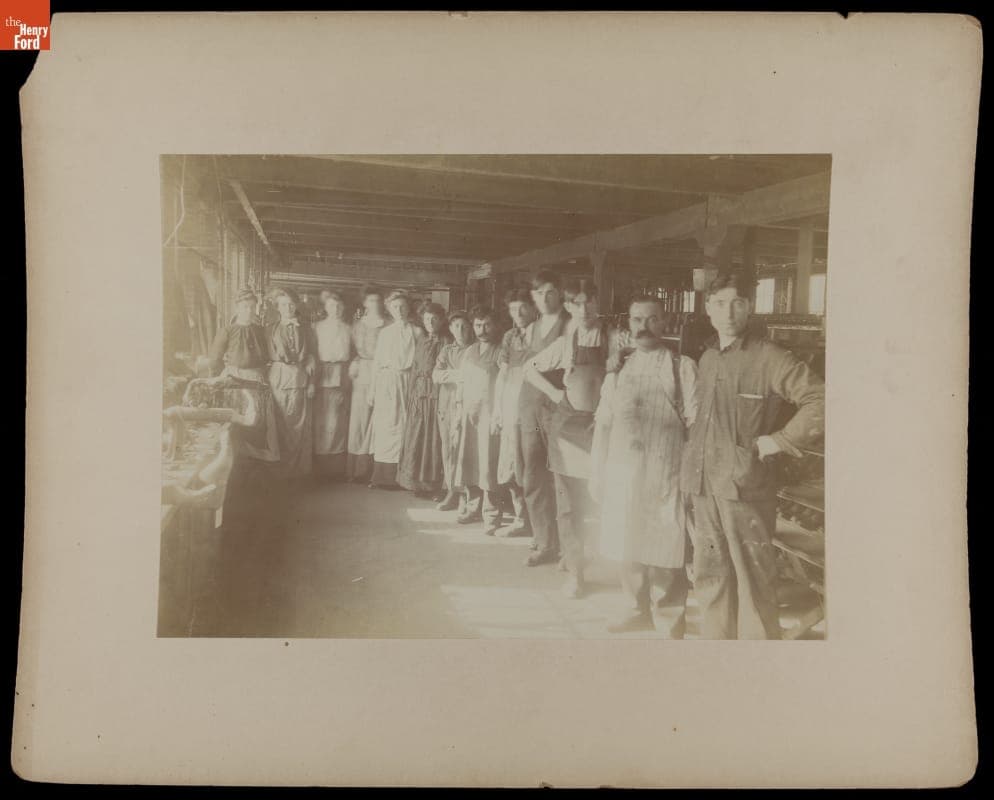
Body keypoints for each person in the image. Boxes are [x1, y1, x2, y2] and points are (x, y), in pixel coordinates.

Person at [681, 272, 825, 640]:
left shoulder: (770, 358)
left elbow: (821, 398)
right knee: (710, 577)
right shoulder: (710, 357)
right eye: (720, 304)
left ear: (750, 308)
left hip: (745, 488)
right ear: (708, 310)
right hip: (704, 484)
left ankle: (759, 668)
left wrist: (780, 439)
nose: (729, 312)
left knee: (754, 583)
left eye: (738, 303)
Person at [590, 294, 699, 636]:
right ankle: (635, 607)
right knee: (626, 539)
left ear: (664, 323)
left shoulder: (682, 366)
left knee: (667, 544)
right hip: (624, 469)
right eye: (637, 320)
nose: (644, 327)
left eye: (652, 319)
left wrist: (690, 477)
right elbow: (603, 422)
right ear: (628, 325)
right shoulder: (619, 367)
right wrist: (597, 471)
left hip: (666, 470)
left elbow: (695, 426)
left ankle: (669, 617)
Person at [523, 279, 607, 597]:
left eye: (589, 301)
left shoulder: (615, 338)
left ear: (599, 303)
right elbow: (529, 369)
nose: (584, 309)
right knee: (570, 506)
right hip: (569, 430)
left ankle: (590, 558)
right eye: (576, 303)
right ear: (568, 307)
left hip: (604, 430)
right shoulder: (566, 342)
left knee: (604, 500)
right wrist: (556, 392)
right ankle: (576, 573)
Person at [517, 269, 571, 566]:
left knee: (562, 477)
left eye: (550, 292)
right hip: (530, 406)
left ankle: (568, 547)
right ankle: (544, 542)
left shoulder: (569, 325)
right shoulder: (532, 327)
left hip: (559, 407)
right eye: (538, 293)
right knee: (533, 476)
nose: (544, 298)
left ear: (560, 293)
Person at [453, 306, 508, 535]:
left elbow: (504, 383)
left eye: (486, 325)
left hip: (489, 415)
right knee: (469, 460)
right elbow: (462, 382)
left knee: (488, 464)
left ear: (495, 326)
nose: (482, 330)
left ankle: (492, 513)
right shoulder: (470, 351)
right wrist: (458, 410)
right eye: (477, 325)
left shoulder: (500, 351)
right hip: (470, 414)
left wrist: (498, 413)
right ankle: (473, 506)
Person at [491, 288, 537, 538]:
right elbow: (503, 373)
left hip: (534, 402)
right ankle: (521, 519)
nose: (518, 314)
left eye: (523, 308)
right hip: (510, 401)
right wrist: (498, 408)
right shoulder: (509, 336)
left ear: (533, 307)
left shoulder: (543, 335)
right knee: (509, 462)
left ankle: (538, 522)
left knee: (532, 462)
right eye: (512, 309)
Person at [369, 290, 423, 488]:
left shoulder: (417, 332)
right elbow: (377, 363)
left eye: (402, 306)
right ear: (389, 309)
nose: (399, 310)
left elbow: (420, 362)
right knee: (386, 427)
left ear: (408, 308)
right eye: (394, 307)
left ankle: (404, 477)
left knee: (405, 426)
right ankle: (383, 477)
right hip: (387, 382)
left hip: (408, 382)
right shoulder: (385, 333)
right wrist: (372, 391)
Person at [398, 302, 450, 497]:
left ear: (441, 320)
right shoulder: (422, 340)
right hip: (419, 394)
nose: (430, 322)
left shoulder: (446, 341)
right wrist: (411, 393)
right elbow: (415, 367)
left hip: (435, 395)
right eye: (427, 319)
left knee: (433, 438)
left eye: (434, 318)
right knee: (417, 436)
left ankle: (435, 486)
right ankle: (418, 484)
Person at [267, 288, 314, 479]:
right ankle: (280, 472)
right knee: (280, 425)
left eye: (292, 304)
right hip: (279, 379)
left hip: (300, 379)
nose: (288, 308)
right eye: (284, 304)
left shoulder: (306, 328)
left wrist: (312, 378)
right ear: (278, 307)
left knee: (299, 426)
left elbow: (312, 353)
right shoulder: (270, 328)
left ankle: (298, 472)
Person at [432, 310, 474, 512]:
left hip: (469, 405)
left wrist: (456, 375)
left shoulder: (476, 349)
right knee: (448, 450)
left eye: (464, 326)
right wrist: (460, 375)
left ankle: (467, 494)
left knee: (466, 450)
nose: (461, 330)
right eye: (456, 326)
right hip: (447, 405)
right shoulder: (447, 350)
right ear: (450, 329)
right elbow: (436, 375)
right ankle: (451, 491)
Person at [310, 289, 353, 481]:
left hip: (342, 374)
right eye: (331, 306)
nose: (335, 309)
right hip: (321, 374)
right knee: (321, 421)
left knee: (338, 421)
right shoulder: (316, 327)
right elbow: (311, 352)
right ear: (325, 308)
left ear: (342, 308)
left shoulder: (348, 328)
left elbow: (353, 353)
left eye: (338, 306)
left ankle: (335, 469)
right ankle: (320, 467)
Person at [347, 286, 387, 483]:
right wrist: (355, 360)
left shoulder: (390, 324)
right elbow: (350, 349)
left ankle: (377, 470)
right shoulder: (357, 325)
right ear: (365, 303)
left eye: (378, 301)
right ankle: (358, 470)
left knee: (381, 419)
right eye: (371, 301)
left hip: (384, 374)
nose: (375, 304)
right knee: (361, 419)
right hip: (363, 372)